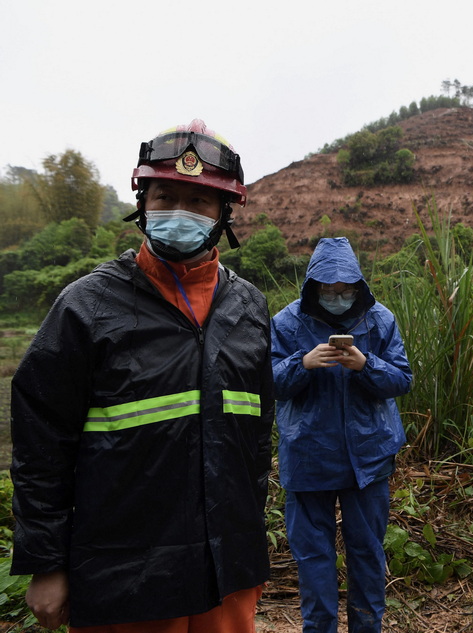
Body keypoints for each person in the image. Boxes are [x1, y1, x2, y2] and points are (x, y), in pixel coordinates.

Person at [10, 119, 275, 631]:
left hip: (229, 567)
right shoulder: (87, 306)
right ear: (142, 204)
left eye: (198, 202)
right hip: (124, 571)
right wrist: (46, 562)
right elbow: (41, 446)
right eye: (165, 196)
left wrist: (246, 536)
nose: (180, 211)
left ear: (225, 213)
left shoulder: (249, 307)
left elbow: (256, 441)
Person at [271, 237, 412, 633]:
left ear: (358, 287)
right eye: (328, 291)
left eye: (345, 291)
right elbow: (266, 383)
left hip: (366, 458)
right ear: (312, 287)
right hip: (308, 457)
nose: (337, 297)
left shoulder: (379, 319)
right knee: (313, 557)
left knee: (366, 552)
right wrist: (303, 363)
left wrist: (366, 366)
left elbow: (402, 380)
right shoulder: (287, 322)